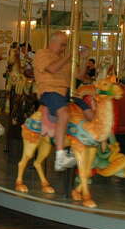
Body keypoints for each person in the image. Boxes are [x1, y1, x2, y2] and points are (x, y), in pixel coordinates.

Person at [34, 31, 94, 171]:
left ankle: (81, 145)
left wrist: (84, 59)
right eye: (62, 45)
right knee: (64, 114)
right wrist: (70, 55)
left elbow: (78, 77)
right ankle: (60, 157)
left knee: (91, 114)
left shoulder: (64, 59)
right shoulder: (42, 54)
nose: (63, 48)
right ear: (52, 42)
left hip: (67, 93)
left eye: (65, 46)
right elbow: (52, 69)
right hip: (50, 91)